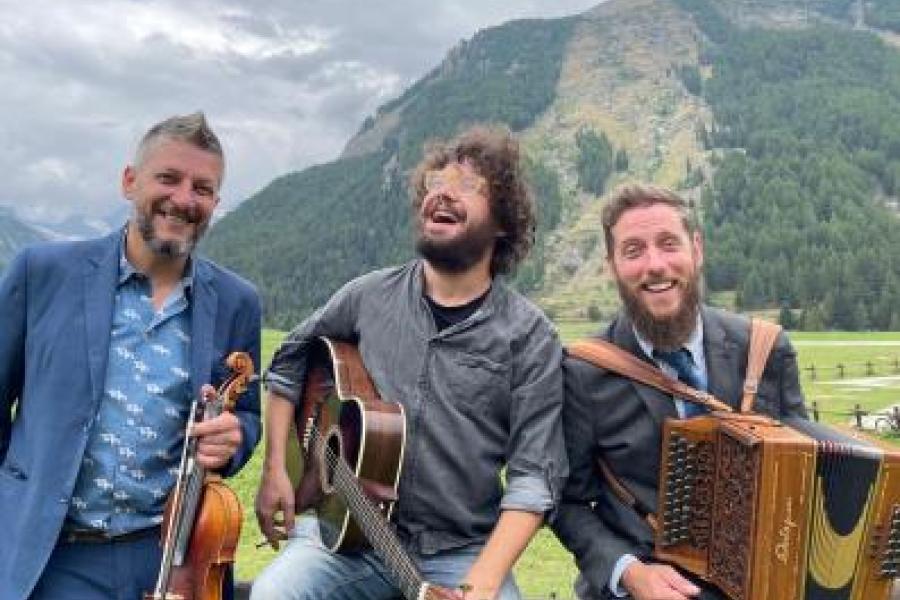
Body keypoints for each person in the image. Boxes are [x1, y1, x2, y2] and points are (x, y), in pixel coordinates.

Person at [252, 125, 567, 600]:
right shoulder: (367, 295)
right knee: (275, 594)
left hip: (462, 549)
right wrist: (277, 466)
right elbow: (290, 362)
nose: (440, 194)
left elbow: (533, 477)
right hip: (347, 544)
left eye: (465, 186)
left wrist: (482, 582)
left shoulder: (530, 337)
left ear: (504, 221)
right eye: (434, 184)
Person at [0, 112, 262, 600]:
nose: (183, 199)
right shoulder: (41, 273)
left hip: (170, 557)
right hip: (53, 555)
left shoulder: (237, 301)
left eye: (201, 188)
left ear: (215, 203)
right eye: (168, 178)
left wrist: (235, 438)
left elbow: (247, 417)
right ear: (129, 181)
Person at [550, 183, 808, 600]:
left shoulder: (765, 350)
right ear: (612, 266)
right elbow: (566, 503)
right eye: (633, 251)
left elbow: (807, 472)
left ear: (697, 250)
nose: (655, 265)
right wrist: (629, 572)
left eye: (669, 244)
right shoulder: (582, 371)